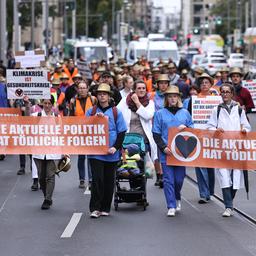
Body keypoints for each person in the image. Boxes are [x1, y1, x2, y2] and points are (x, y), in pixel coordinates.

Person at [206, 83, 251, 217]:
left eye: (227, 92)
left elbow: (247, 127)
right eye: (223, 92)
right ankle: (228, 206)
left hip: (236, 148)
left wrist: (244, 130)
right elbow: (209, 127)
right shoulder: (216, 110)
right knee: (224, 177)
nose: (225, 94)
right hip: (222, 148)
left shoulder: (239, 110)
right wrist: (215, 130)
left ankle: (229, 200)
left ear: (232, 94)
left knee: (236, 178)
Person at [86, 83, 127, 218]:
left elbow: (121, 132)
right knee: (97, 179)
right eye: (100, 94)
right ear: (96, 96)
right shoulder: (91, 112)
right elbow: (83, 130)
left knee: (109, 180)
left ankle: (105, 207)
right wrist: (93, 120)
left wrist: (115, 147)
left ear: (109, 96)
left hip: (111, 152)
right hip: (95, 152)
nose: (102, 96)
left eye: (105, 94)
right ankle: (95, 208)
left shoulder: (116, 112)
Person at [152, 86, 193, 217]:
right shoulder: (160, 113)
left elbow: (193, 131)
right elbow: (156, 133)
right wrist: (163, 147)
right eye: (170, 96)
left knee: (179, 180)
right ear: (166, 99)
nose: (172, 99)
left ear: (179, 98)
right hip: (166, 152)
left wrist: (186, 128)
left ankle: (177, 196)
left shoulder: (185, 113)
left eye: (175, 96)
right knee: (168, 180)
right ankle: (171, 205)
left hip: (181, 152)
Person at [24, 95, 67, 210]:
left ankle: (48, 199)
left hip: (53, 151)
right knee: (41, 177)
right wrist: (27, 105)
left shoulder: (57, 117)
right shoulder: (36, 116)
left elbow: (62, 134)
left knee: (50, 176)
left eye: (49, 103)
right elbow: (27, 119)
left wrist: (65, 151)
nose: (47, 106)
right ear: (42, 104)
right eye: (45, 103)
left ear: (52, 105)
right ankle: (46, 195)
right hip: (38, 151)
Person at [117, 80, 157, 162]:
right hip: (127, 141)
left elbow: (148, 116)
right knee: (129, 167)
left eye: (143, 88)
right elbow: (116, 113)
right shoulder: (125, 101)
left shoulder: (150, 103)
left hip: (143, 141)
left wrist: (137, 102)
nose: (141, 90)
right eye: (139, 88)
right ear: (134, 90)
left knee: (144, 168)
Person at [69, 81, 97, 189]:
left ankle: (90, 179)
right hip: (79, 132)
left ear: (87, 88)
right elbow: (70, 117)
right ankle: (82, 179)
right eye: (80, 88)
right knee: (81, 157)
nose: (82, 90)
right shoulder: (73, 101)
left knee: (90, 156)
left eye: (84, 88)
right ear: (77, 89)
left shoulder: (93, 99)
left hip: (91, 132)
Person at [194, 73, 216, 203]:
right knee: (200, 164)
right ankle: (203, 193)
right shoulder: (194, 99)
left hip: (212, 136)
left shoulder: (217, 99)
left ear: (211, 84)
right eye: (202, 83)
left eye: (206, 83)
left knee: (210, 166)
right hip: (199, 135)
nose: (204, 85)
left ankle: (210, 191)